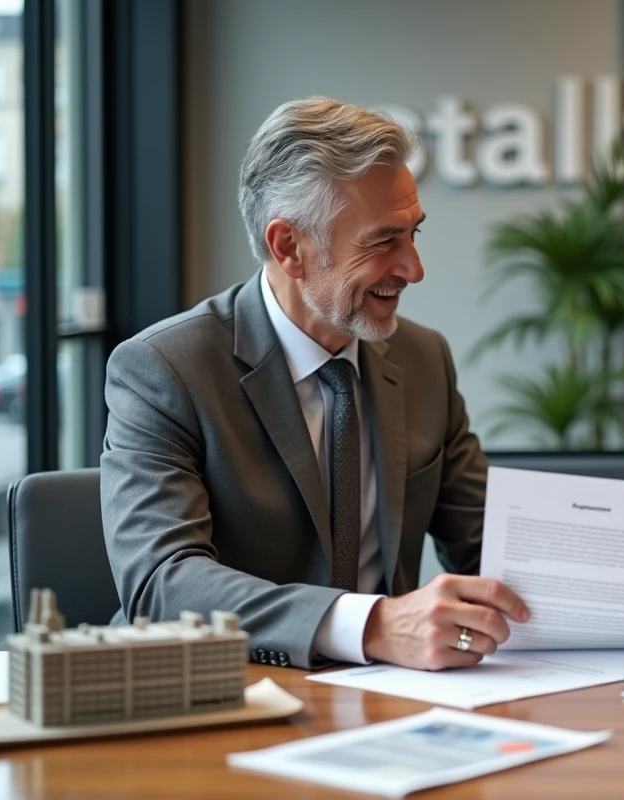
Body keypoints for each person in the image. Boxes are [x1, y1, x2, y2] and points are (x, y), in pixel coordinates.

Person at [101, 97, 528, 671]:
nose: (414, 267)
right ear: (289, 248)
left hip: (393, 698)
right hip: (232, 694)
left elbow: (489, 546)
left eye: (413, 234)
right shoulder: (165, 368)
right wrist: (371, 624)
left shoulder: (424, 358)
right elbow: (162, 583)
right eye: (383, 241)